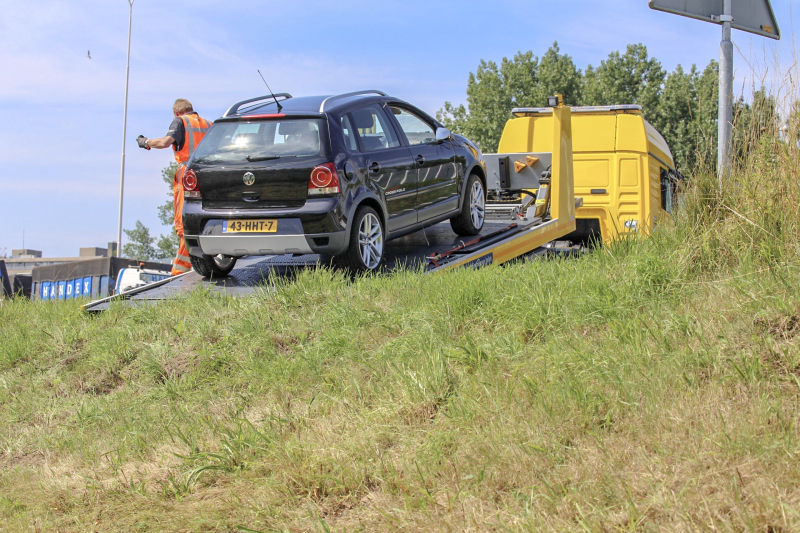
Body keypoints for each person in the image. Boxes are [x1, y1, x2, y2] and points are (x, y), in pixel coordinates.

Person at [137, 99, 212, 276]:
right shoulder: (209, 125)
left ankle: (180, 272)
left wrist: (146, 142)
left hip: (188, 173)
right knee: (203, 219)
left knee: (184, 223)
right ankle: (205, 263)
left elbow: (165, 142)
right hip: (209, 174)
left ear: (176, 112)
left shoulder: (181, 121)